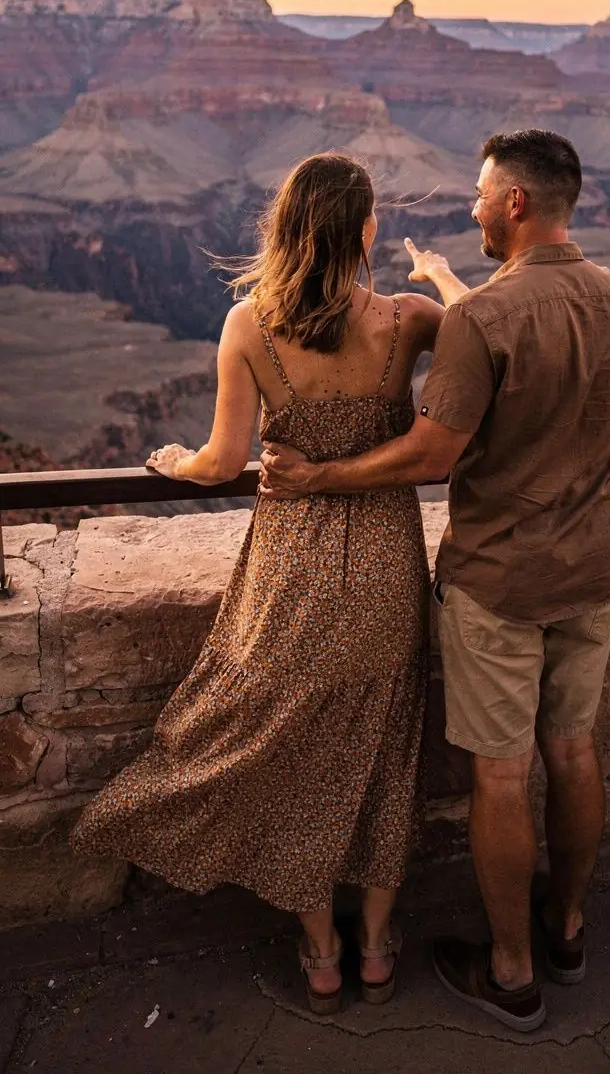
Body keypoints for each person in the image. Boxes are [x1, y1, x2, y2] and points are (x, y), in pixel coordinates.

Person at [260, 129, 610, 1032]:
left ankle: (511, 972)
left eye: (481, 195)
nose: (472, 206)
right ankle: (569, 928)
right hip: (595, 570)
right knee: (576, 751)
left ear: (515, 203)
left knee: (503, 778)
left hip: (501, 582)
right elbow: (527, 334)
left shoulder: (485, 321)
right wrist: (441, 281)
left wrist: (319, 477)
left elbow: (431, 451)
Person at [71, 153, 445, 1014]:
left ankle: (319, 952)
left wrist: (175, 461)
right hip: (387, 555)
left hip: (292, 566)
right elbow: (496, 346)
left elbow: (224, 461)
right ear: (365, 231)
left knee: (290, 753)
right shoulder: (409, 319)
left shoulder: (250, 326)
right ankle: (378, 950)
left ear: (283, 229)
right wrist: (449, 277)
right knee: (388, 752)